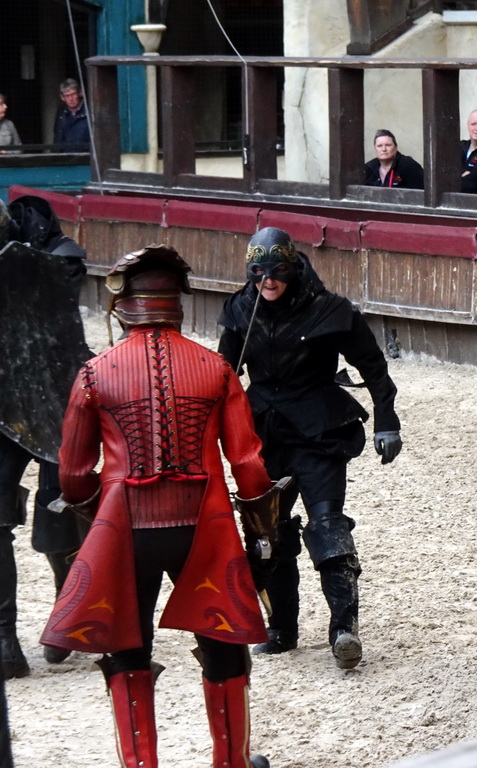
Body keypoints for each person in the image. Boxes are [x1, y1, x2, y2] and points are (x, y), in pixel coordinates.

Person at [41, 245, 281, 768]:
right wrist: (264, 530)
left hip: (125, 530)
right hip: (205, 527)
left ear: (123, 305)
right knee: (223, 644)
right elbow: (249, 466)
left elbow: (73, 474)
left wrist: (92, 514)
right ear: (177, 302)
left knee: (127, 648)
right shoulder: (216, 369)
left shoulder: (94, 373)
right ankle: (231, 763)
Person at [218, 227, 403, 669]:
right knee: (268, 533)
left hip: (319, 430)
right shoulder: (241, 309)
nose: (269, 280)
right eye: (259, 271)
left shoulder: (330, 310)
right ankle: (281, 626)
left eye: (277, 270)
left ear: (293, 267)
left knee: (326, 524)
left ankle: (343, 628)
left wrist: (387, 420)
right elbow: (223, 376)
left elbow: (374, 366)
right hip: (263, 433)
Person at [0, 196, 91, 677]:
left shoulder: (55, 263)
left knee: (61, 512)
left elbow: (63, 331)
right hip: (7, 409)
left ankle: (66, 613)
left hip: (57, 401)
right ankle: (5, 638)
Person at [52, 78, 90, 150]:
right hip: (66, 159)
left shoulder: (89, 112)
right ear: (62, 97)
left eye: (73, 94)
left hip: (85, 158)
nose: (71, 99)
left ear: (80, 93)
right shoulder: (61, 114)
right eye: (67, 96)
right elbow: (57, 138)